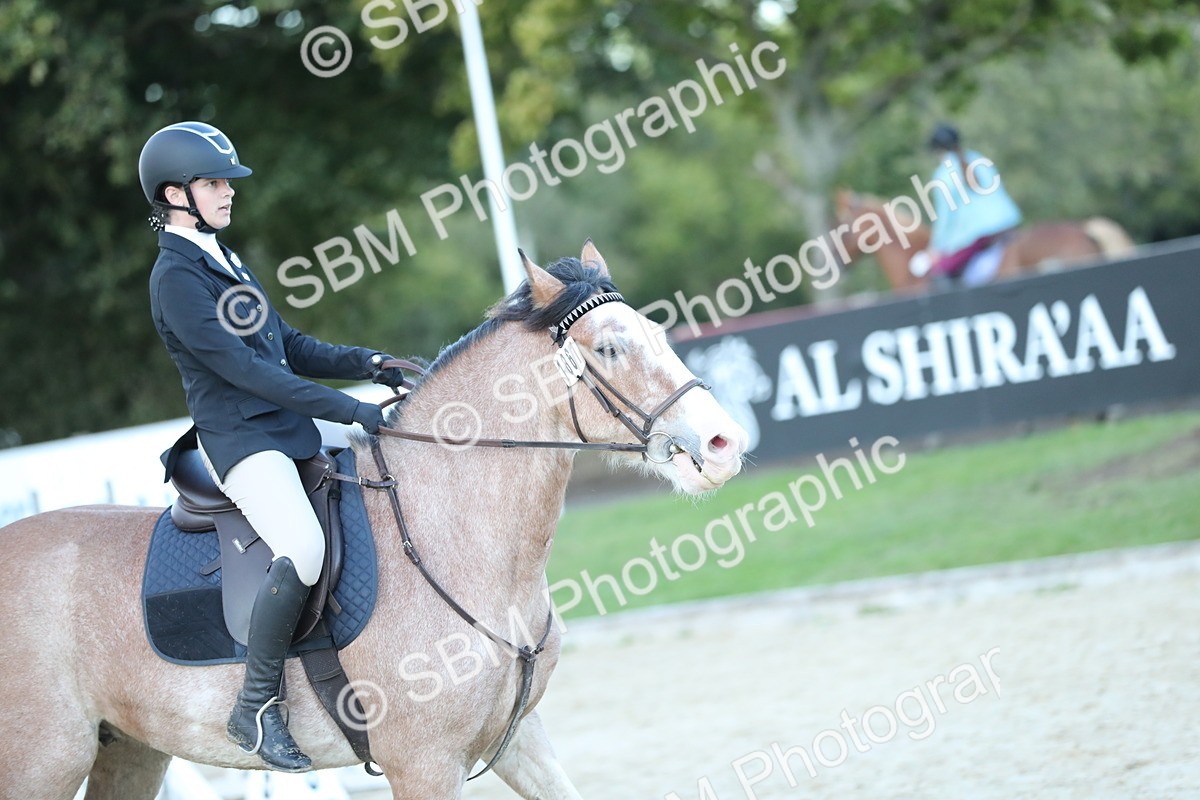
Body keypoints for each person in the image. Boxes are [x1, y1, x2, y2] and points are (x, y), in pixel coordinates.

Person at [140, 121, 405, 772]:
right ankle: (255, 706)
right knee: (304, 546)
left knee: (394, 455)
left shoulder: (222, 257)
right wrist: (348, 411)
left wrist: (370, 363)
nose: (228, 193)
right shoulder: (175, 277)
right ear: (176, 194)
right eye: (213, 183)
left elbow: (287, 346)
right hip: (241, 439)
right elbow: (250, 373)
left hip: (282, 425)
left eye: (226, 182)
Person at [915, 123, 1023, 287]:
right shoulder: (979, 158)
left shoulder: (942, 175)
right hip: (1007, 225)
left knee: (941, 274)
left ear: (937, 150)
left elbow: (945, 220)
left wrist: (935, 249)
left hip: (981, 234)